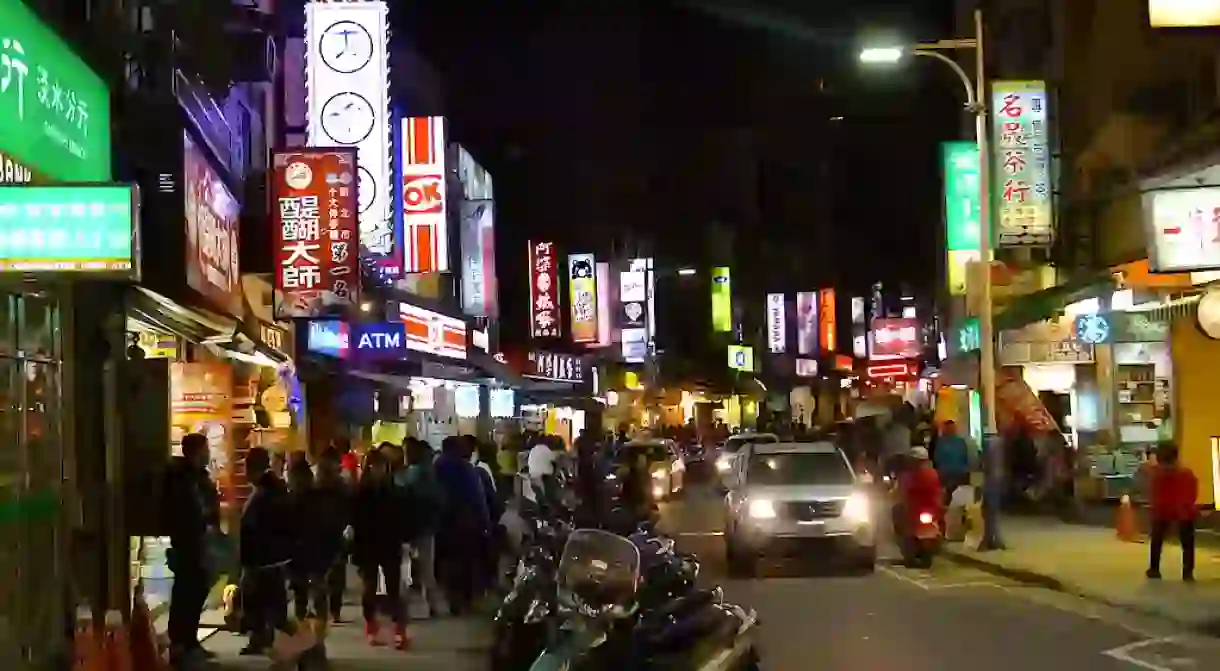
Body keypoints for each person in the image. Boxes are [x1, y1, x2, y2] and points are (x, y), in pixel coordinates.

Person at [164, 433, 220, 666]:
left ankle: (189, 640)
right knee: (186, 592)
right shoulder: (181, 478)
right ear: (196, 451)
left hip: (199, 541)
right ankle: (181, 643)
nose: (208, 454)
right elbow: (187, 511)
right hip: (188, 543)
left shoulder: (196, 477)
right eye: (205, 449)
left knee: (196, 591)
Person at [351, 450, 410, 648]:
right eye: (375, 466)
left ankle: (398, 629)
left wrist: (404, 539)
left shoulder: (393, 490)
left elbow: (401, 518)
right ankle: (372, 626)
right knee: (369, 588)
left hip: (389, 544)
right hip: (369, 545)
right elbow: (355, 521)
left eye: (381, 466)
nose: (378, 470)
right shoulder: (361, 492)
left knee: (394, 588)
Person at [239, 447, 295, 655]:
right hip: (270, 558)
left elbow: (257, 528)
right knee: (267, 604)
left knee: (267, 604)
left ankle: (302, 644)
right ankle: (263, 638)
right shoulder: (272, 489)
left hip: (263, 559)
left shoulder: (265, 493)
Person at [434, 435, 491, 614]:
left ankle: (452, 599)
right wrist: (485, 522)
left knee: (448, 562)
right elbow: (477, 497)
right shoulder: (465, 469)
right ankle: (464, 600)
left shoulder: (435, 467)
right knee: (466, 563)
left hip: (442, 522)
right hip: (465, 522)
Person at [398, 438, 445, 617]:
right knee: (426, 571)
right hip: (425, 528)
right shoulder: (429, 474)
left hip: (410, 529)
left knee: (405, 571)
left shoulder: (410, 475)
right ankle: (431, 606)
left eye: (407, 451)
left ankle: (403, 609)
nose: (405, 455)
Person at [310, 447, 352, 623]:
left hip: (327, 534)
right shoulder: (336, 484)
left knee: (327, 575)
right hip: (330, 533)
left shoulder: (320, 483)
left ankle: (327, 610)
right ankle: (330, 611)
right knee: (331, 575)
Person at [1147, 442, 1198, 582]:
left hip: (1162, 511)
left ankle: (1154, 569)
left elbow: (1153, 493)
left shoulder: (1157, 474)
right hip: (1184, 511)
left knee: (1157, 540)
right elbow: (1193, 491)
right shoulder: (1186, 473)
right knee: (1187, 543)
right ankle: (1188, 572)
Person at [894, 446, 943, 536]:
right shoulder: (933, 474)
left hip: (916, 513)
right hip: (928, 512)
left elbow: (901, 495)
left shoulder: (906, 476)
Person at [933, 421, 971, 504]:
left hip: (959, 475)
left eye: (953, 428)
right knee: (946, 499)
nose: (951, 430)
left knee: (960, 499)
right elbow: (937, 460)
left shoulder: (960, 442)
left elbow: (965, 458)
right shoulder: (940, 442)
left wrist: (965, 470)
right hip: (945, 476)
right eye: (949, 428)